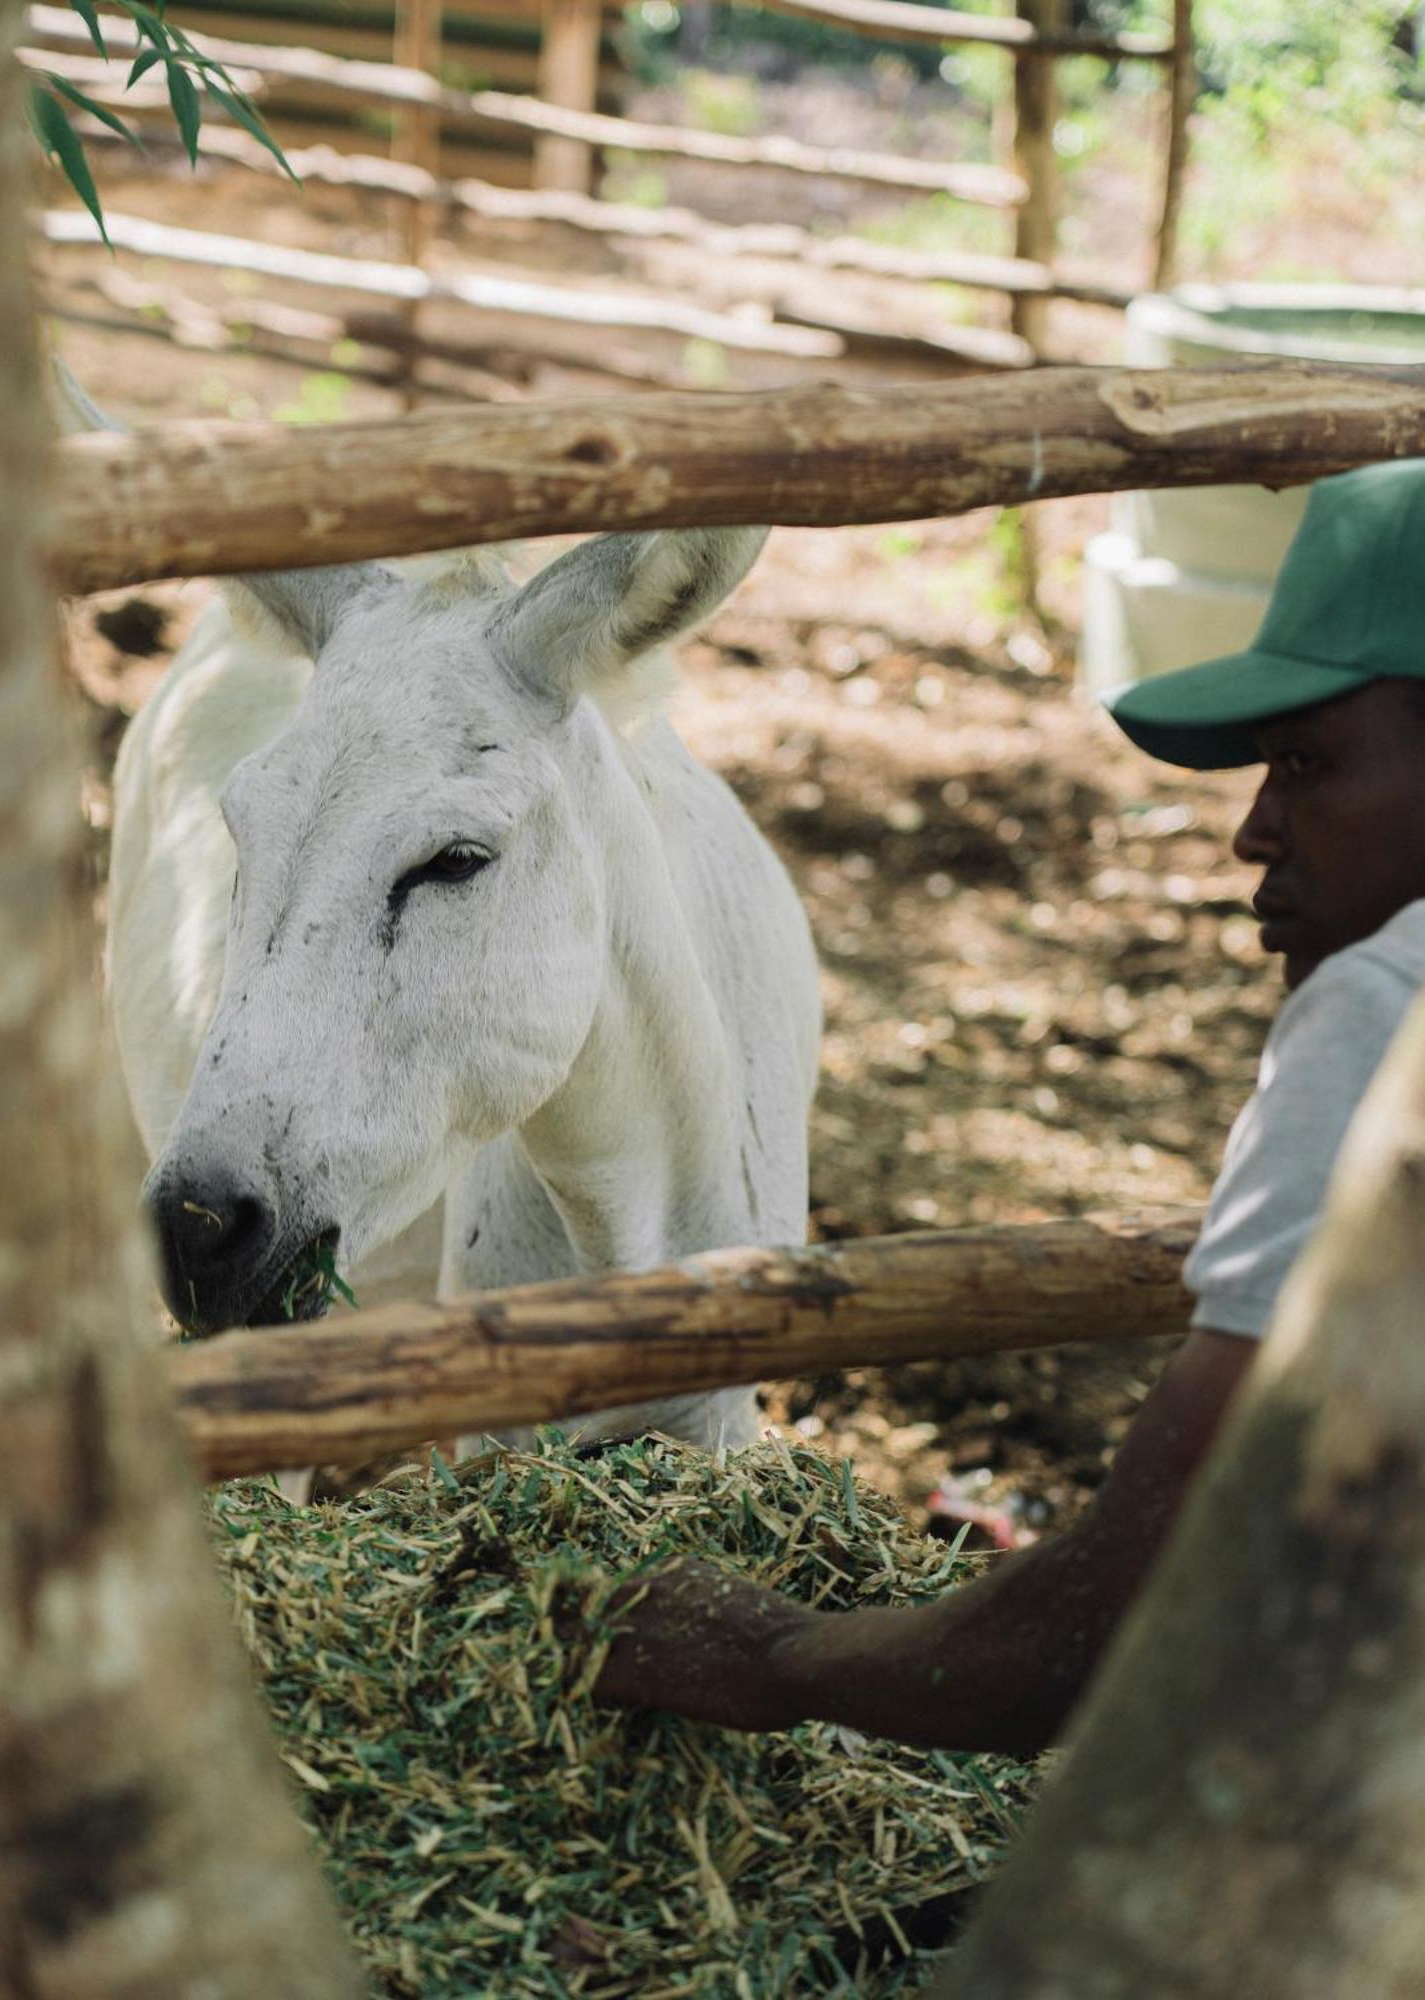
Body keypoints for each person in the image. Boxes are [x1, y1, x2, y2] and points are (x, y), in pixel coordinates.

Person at [592, 454, 1425, 1756]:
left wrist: (775, 1655)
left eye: (1309, 764)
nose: (1254, 832)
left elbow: (1119, 1615)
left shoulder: (1388, 1010)